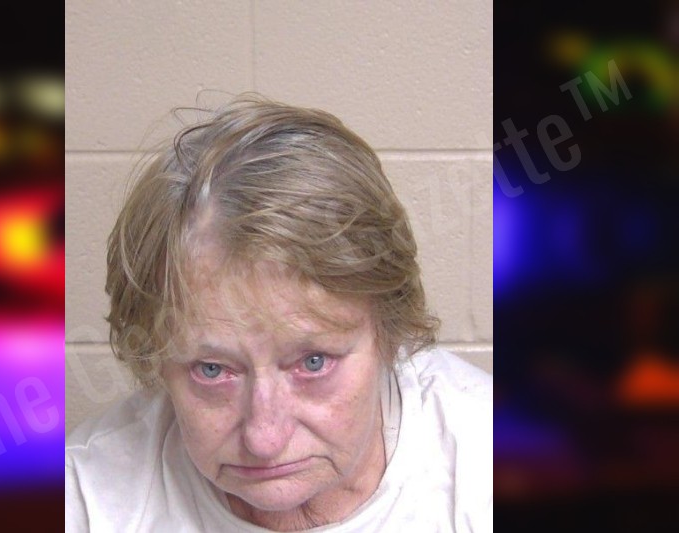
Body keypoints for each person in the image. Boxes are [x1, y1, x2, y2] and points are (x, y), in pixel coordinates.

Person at [65, 93, 492, 532]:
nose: (264, 439)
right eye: (212, 370)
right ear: (158, 361)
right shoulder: (88, 501)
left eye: (314, 362)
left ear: (388, 333)